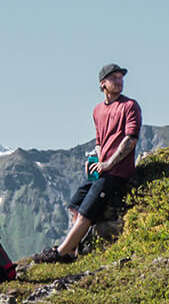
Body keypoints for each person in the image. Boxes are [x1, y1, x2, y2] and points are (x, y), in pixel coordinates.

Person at [36, 64, 141, 264]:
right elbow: (99, 142)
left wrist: (109, 164)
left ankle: (60, 254)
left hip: (118, 172)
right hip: (102, 169)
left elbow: (131, 139)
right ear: (103, 84)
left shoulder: (130, 106)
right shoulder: (97, 110)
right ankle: (72, 250)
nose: (119, 81)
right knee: (75, 205)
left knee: (87, 210)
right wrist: (96, 160)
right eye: (114, 78)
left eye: (121, 77)